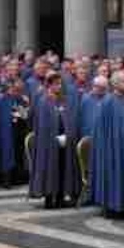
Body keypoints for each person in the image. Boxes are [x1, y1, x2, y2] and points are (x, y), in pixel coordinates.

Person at [89, 73, 124, 214]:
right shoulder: (108, 102)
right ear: (116, 84)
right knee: (115, 176)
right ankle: (113, 206)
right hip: (114, 149)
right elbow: (100, 130)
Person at [27, 76, 78, 208]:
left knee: (62, 168)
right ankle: (49, 198)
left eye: (60, 84)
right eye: (56, 84)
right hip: (48, 143)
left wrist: (67, 134)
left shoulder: (62, 101)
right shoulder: (44, 101)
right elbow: (43, 126)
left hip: (63, 141)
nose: (59, 87)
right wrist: (53, 138)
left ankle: (61, 197)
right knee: (50, 170)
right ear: (49, 85)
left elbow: (68, 118)